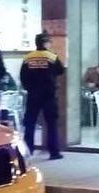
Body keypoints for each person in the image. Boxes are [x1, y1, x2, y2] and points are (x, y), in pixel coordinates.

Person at [21, 32, 65, 160]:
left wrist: (29, 88)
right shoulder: (51, 56)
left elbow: (23, 76)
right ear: (46, 43)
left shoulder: (28, 57)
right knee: (51, 123)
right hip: (48, 95)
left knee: (30, 123)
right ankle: (53, 152)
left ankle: (28, 150)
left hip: (33, 95)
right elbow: (61, 70)